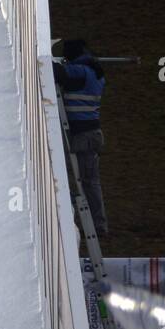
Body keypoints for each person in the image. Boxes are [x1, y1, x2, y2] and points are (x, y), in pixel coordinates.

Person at [53, 38, 109, 235]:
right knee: (90, 182)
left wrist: (47, 60)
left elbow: (59, 74)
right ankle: (98, 224)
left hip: (82, 136)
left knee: (84, 181)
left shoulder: (81, 71)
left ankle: (96, 226)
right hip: (92, 135)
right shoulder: (94, 72)